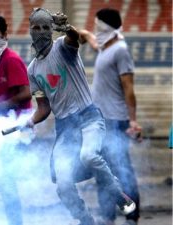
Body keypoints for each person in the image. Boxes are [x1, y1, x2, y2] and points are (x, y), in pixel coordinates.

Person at [22, 8, 136, 225]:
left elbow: (75, 39)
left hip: (89, 118)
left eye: (45, 27)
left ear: (51, 29)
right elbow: (43, 108)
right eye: (36, 27)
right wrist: (30, 121)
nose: (40, 32)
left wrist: (67, 28)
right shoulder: (32, 70)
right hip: (65, 128)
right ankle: (85, 220)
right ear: (30, 30)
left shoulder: (62, 48)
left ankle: (118, 195)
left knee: (89, 156)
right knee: (63, 184)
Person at [78, 8, 142, 225]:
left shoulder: (121, 50)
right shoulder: (106, 48)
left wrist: (132, 121)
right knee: (101, 171)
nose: (97, 30)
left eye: (98, 27)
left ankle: (131, 217)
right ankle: (108, 217)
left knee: (122, 171)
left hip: (116, 121)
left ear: (107, 27)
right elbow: (96, 43)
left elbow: (129, 88)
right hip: (100, 121)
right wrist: (85, 35)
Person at [0, 14, 32, 225]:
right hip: (6, 122)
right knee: (4, 179)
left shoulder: (10, 59)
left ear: (5, 34)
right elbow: (2, 91)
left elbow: (26, 93)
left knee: (7, 179)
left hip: (19, 126)